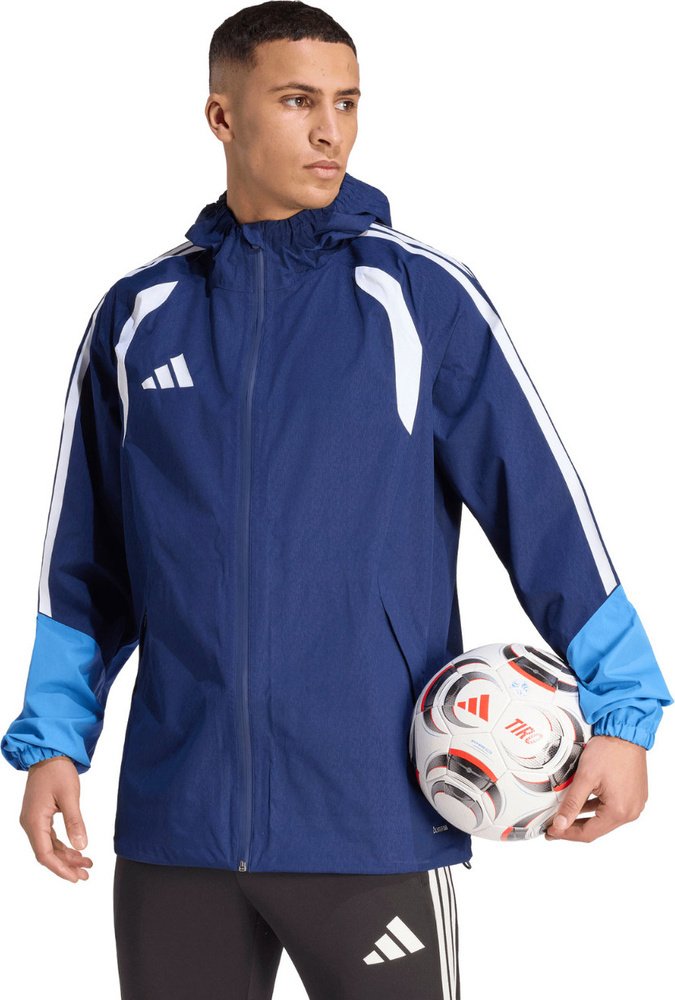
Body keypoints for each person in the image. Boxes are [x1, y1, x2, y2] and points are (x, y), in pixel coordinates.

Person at [2, 2, 672, 998]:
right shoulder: (137, 317)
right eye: (298, 101)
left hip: (370, 816)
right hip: (178, 826)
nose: (331, 131)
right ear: (222, 117)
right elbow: (87, 564)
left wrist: (624, 710)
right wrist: (54, 742)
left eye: (347, 103)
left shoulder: (419, 298)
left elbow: (542, 510)